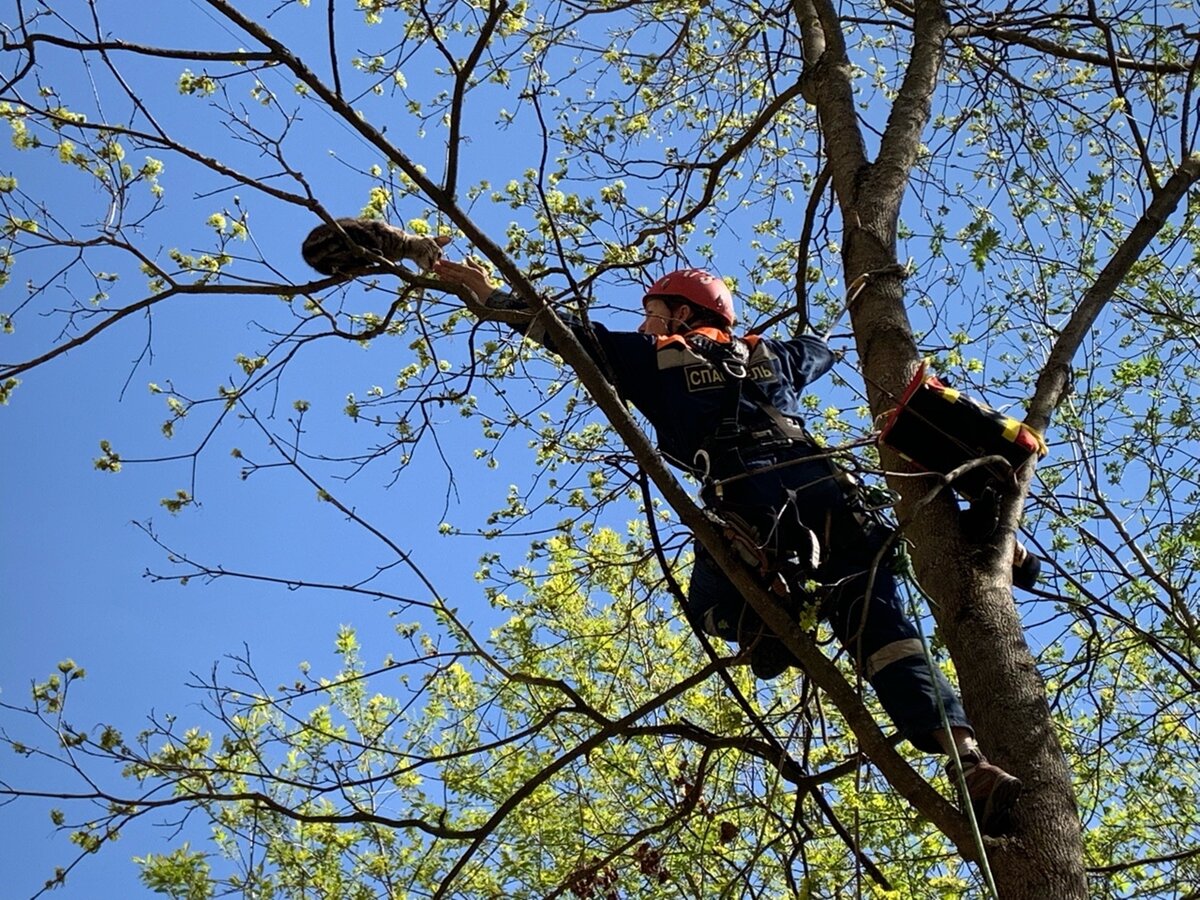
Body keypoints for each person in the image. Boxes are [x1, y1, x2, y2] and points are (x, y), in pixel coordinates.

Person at [432, 258, 1023, 836]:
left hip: (750, 495)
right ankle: (968, 761)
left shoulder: (654, 359)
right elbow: (826, 344)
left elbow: (557, 330)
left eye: (652, 313)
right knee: (884, 631)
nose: (643, 326)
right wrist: (870, 294)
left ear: (680, 314)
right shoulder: (770, 355)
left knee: (712, 603)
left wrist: (483, 293)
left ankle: (766, 620)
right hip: (829, 490)